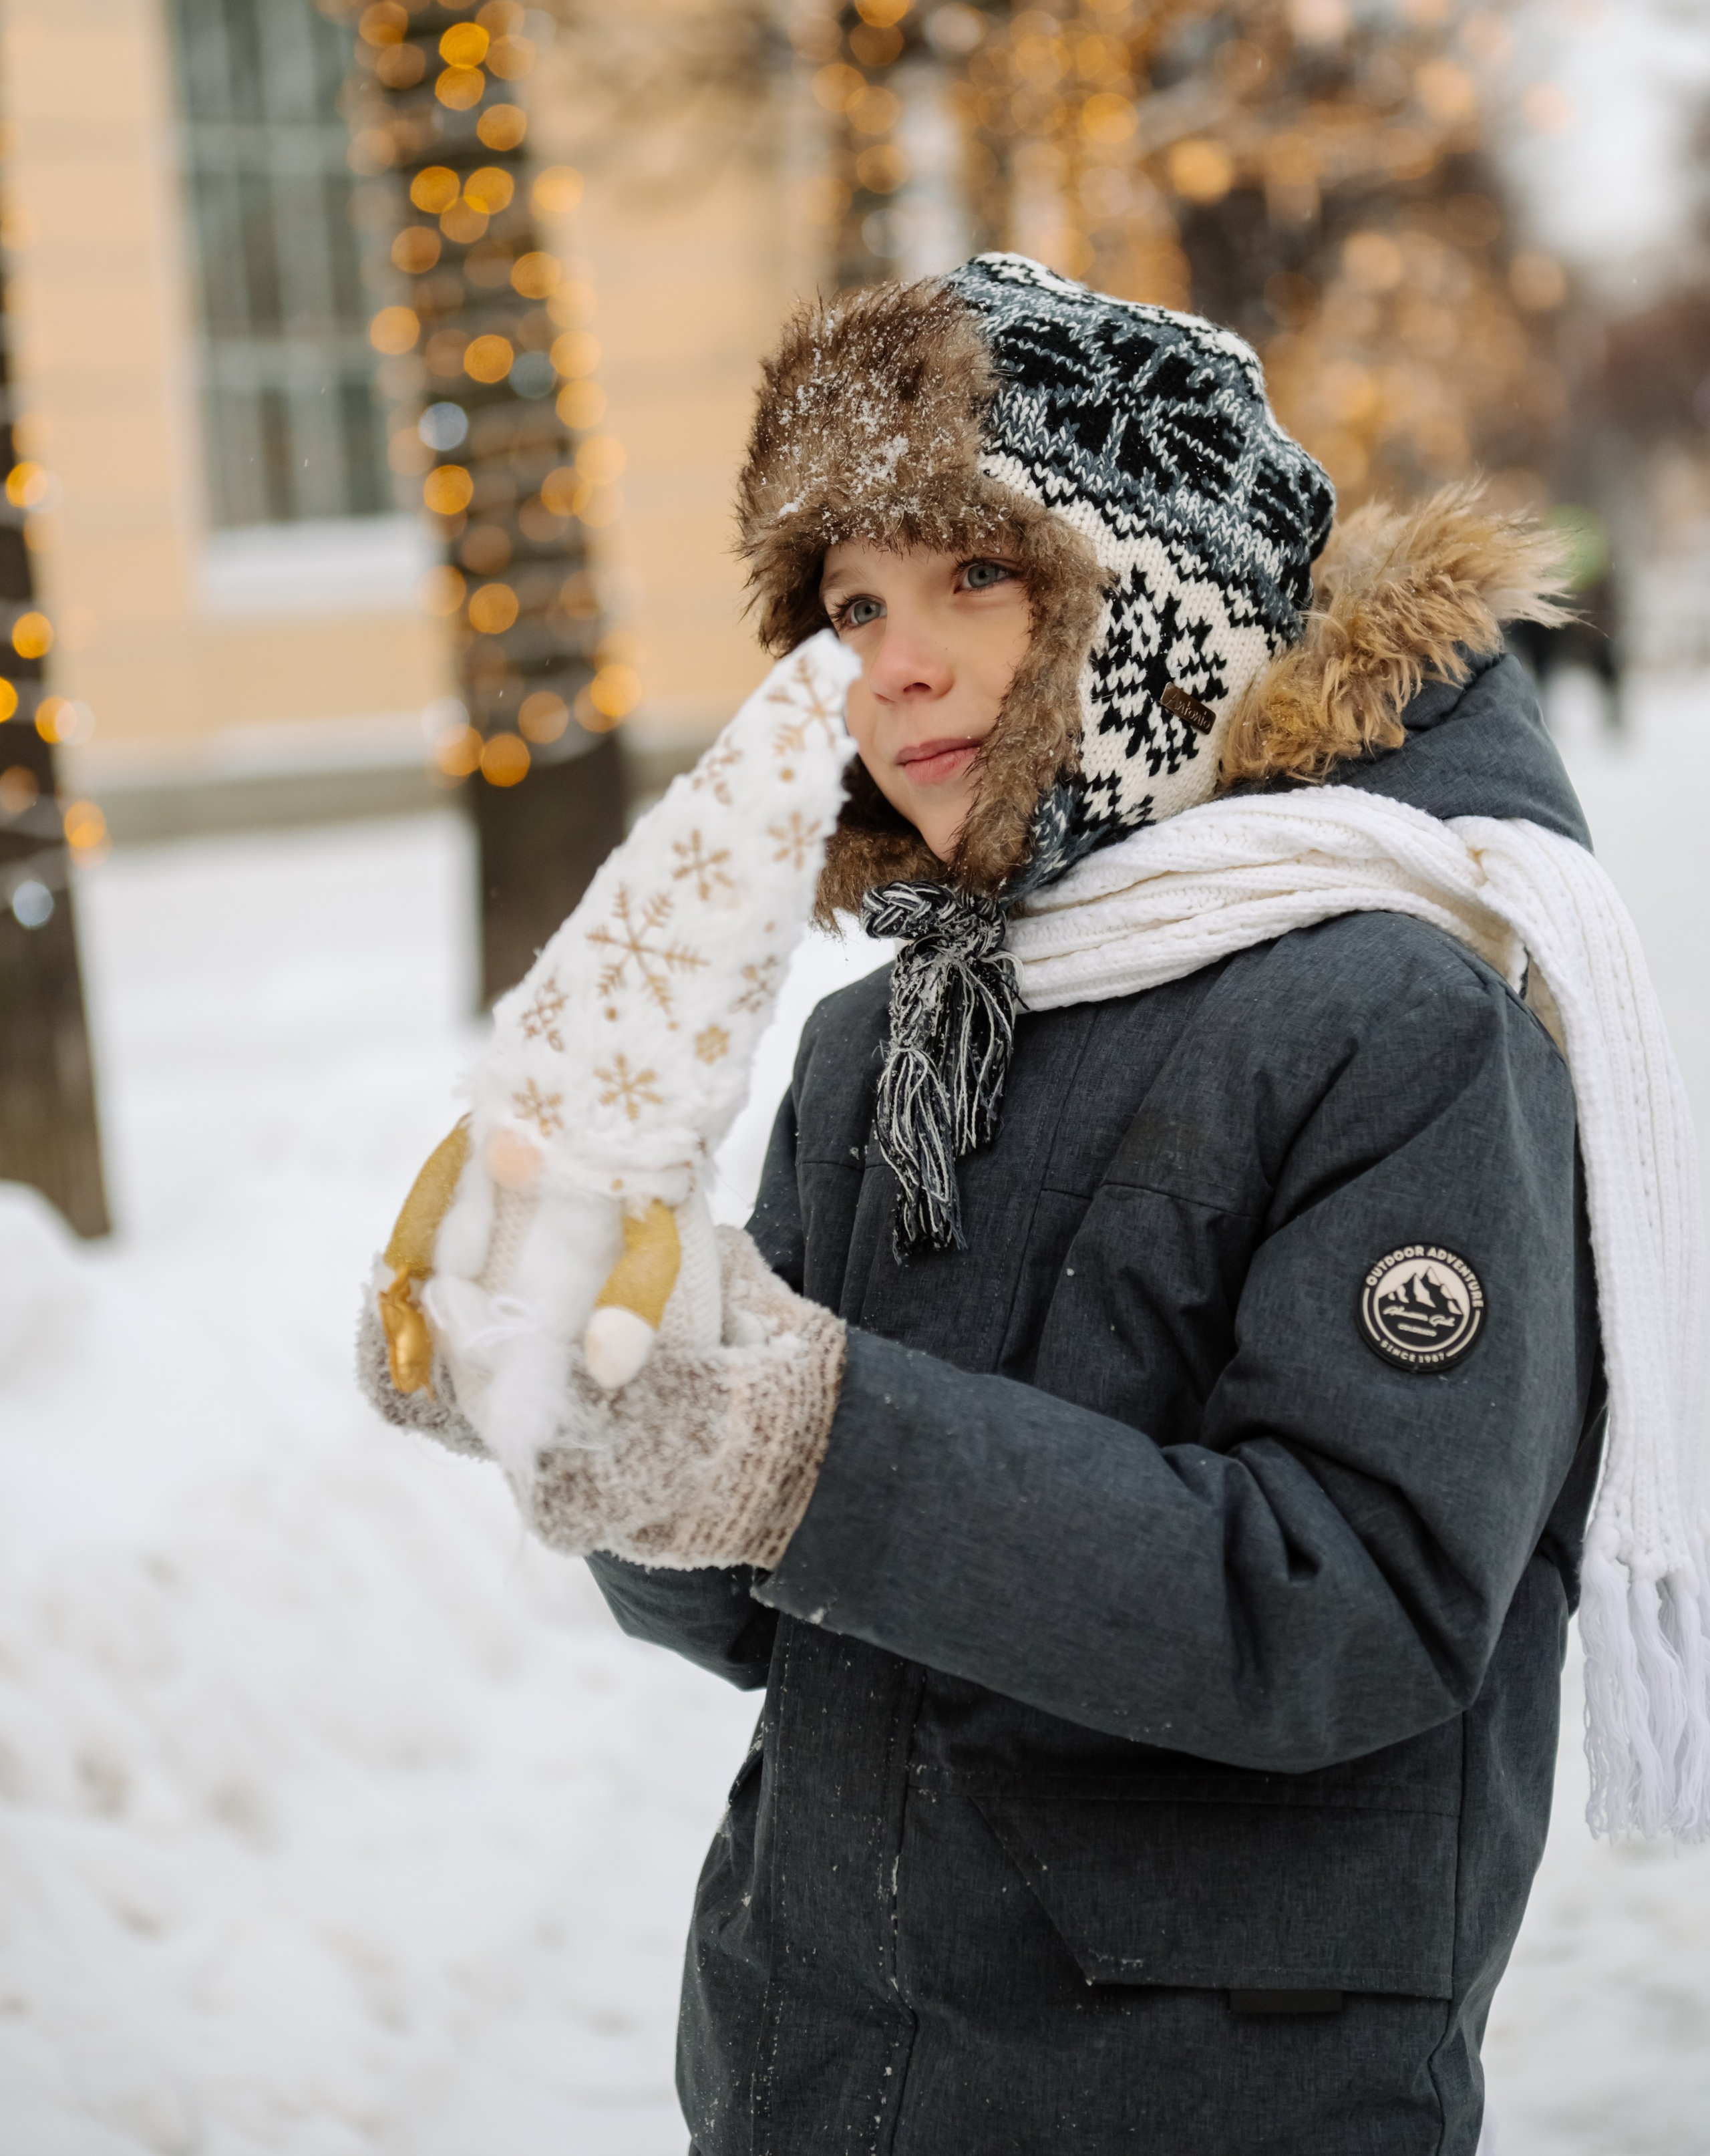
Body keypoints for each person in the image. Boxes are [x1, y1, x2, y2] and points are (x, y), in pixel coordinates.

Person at [363, 255, 1710, 2156]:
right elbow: (766, 1600)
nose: (889, 660)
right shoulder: (879, 1042)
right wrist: (595, 1400)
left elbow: (1355, 1605)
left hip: (1214, 2092)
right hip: (807, 2071)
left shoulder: (1398, 1023)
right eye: (849, 603)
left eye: (972, 574)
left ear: (1145, 587)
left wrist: (805, 1445)